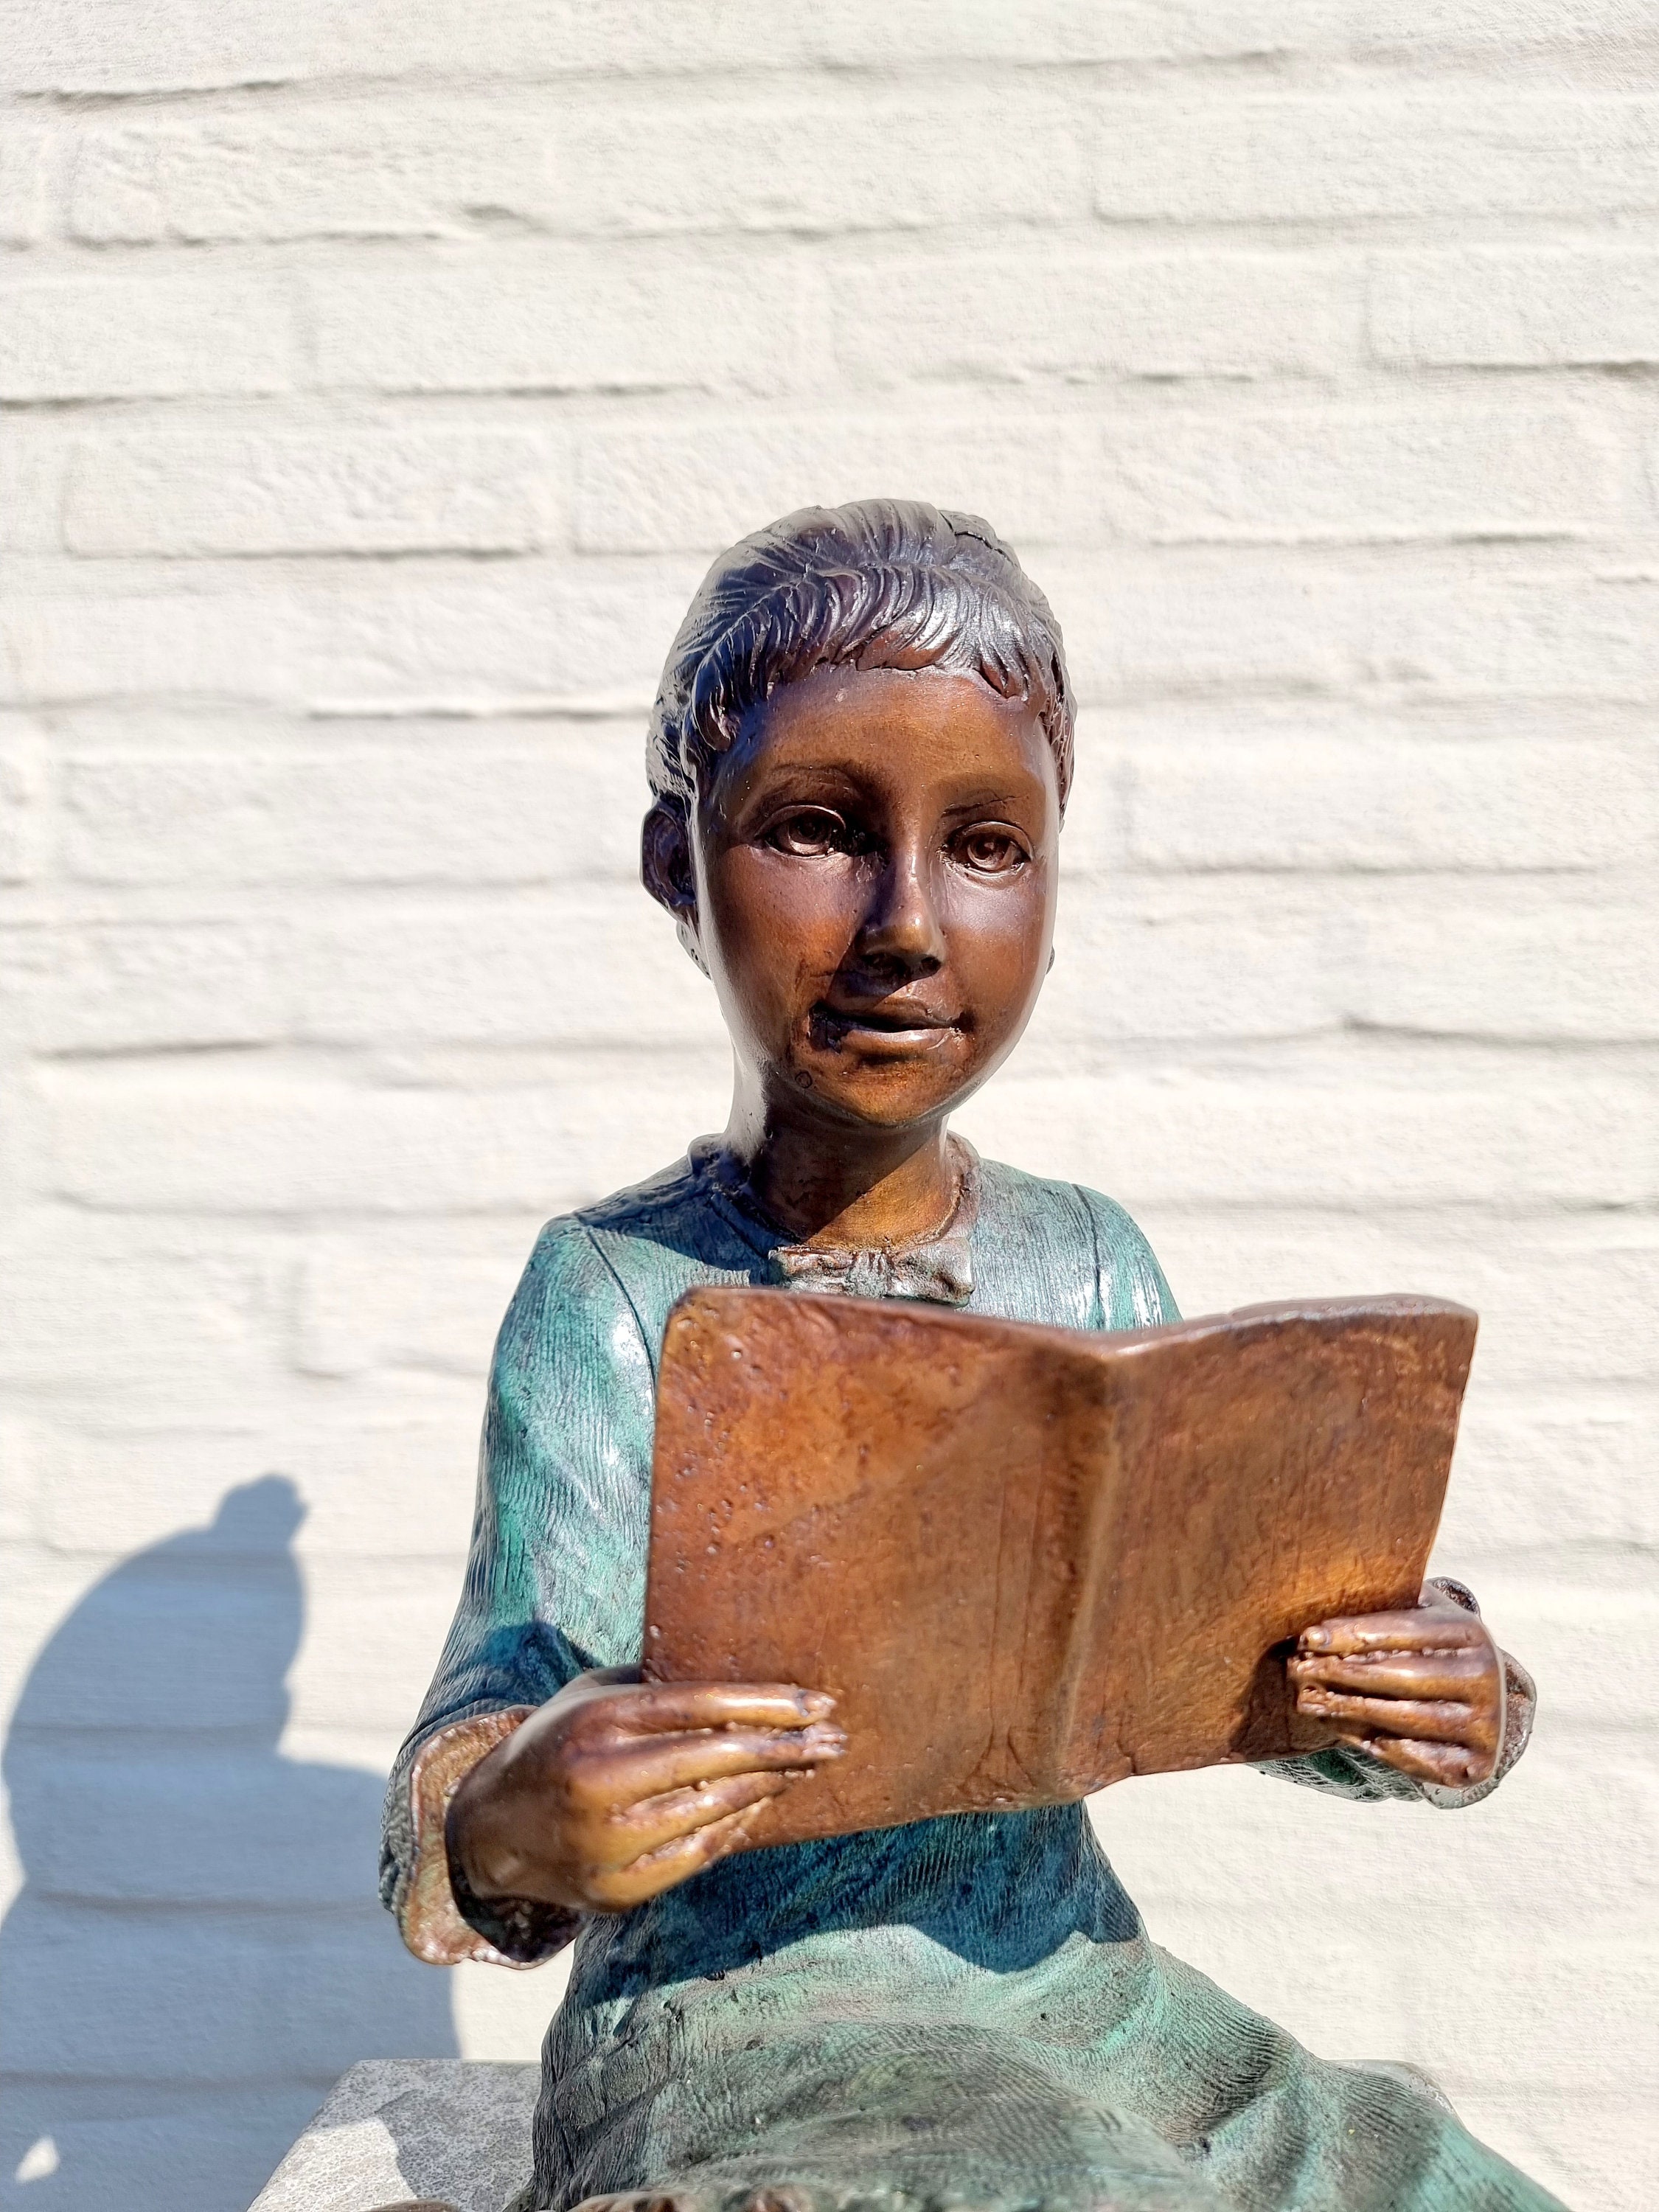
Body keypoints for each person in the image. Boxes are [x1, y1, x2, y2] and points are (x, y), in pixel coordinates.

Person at [380, 500, 1555, 2212]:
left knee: (1429, 2178)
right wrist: (509, 1828)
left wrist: (1414, 1695)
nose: (909, 922)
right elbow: (481, 1733)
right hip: (739, 2036)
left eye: (989, 845)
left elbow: (1207, 1643)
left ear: (1057, 892)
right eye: (819, 830)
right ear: (677, 868)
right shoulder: (618, 1297)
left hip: (1081, 1992)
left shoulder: (1084, 1257)